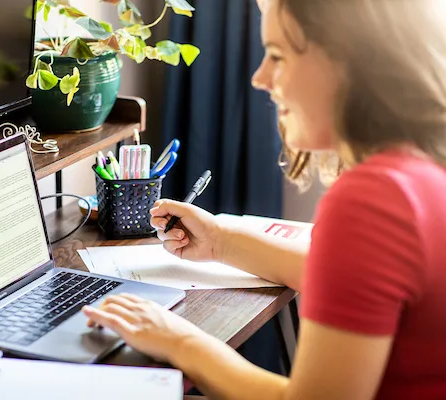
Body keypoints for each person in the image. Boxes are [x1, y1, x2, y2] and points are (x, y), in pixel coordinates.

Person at [82, 0, 446, 398]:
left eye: (277, 56)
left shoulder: (375, 199)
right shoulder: (421, 169)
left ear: (350, 61)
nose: (260, 77)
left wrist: (178, 340)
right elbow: (349, 278)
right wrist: (220, 240)